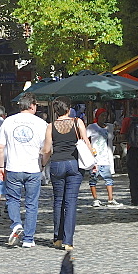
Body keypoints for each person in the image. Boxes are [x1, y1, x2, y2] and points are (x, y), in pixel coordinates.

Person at [0, 93, 47, 247]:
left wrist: (0, 166)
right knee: (32, 204)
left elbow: (0, 146)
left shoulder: (8, 121)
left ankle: (16, 224)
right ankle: (28, 239)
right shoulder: (41, 123)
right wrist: (43, 164)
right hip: (33, 168)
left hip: (13, 167)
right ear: (32, 106)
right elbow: (46, 149)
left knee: (13, 199)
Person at [42, 97, 92, 251]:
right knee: (70, 202)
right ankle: (68, 241)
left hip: (57, 164)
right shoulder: (78, 122)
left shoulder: (51, 126)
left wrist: (43, 163)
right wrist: (93, 162)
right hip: (74, 164)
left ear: (56, 111)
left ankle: (57, 237)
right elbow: (86, 142)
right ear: (69, 109)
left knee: (58, 201)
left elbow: (47, 150)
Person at [85, 115, 121, 208]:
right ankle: (95, 199)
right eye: (102, 116)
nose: (104, 118)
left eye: (105, 116)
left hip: (105, 158)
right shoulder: (92, 127)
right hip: (95, 159)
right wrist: (90, 149)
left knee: (109, 179)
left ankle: (110, 198)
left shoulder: (108, 127)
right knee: (93, 180)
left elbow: (111, 139)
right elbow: (84, 138)